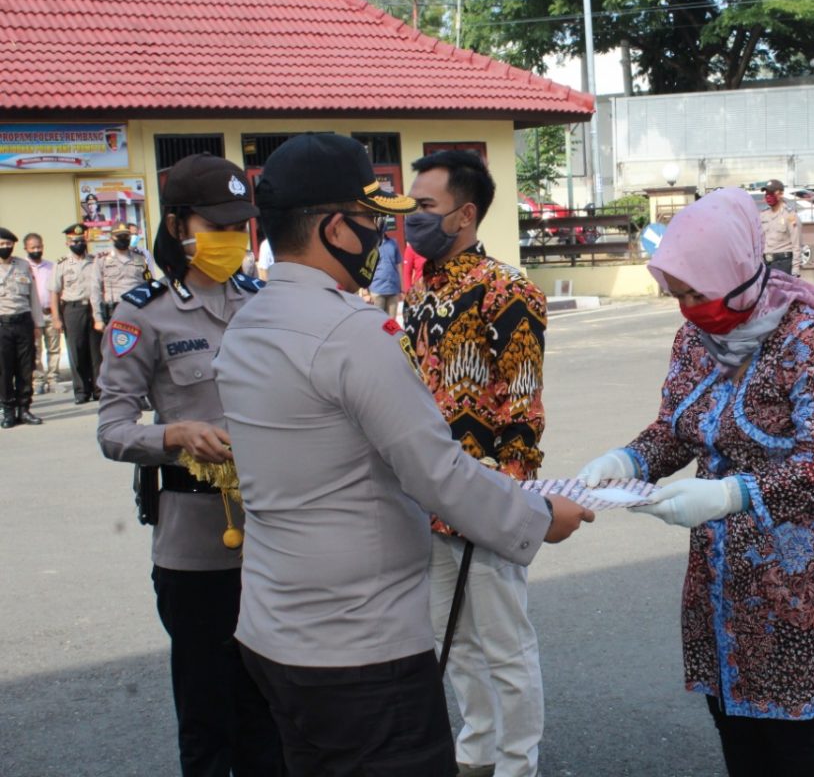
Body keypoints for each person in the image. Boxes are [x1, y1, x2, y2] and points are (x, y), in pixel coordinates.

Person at [210, 133, 592, 777]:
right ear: (335, 228)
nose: (385, 236)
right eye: (371, 220)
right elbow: (435, 469)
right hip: (359, 646)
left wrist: (510, 485)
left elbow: (516, 406)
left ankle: (510, 758)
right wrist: (540, 516)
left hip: (275, 628)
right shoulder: (351, 330)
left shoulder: (250, 319)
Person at [577, 188, 814, 777]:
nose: (690, 308)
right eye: (679, 295)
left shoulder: (812, 339)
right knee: (733, 722)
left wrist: (730, 494)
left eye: (699, 292)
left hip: (798, 572)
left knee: (790, 734)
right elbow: (677, 428)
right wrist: (629, 460)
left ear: (738, 271)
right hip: (721, 572)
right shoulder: (694, 339)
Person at [95, 154, 285, 777]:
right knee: (208, 718)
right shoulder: (142, 313)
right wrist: (173, 434)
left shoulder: (262, 301)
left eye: (238, 226)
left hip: (275, 536)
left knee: (271, 714)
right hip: (195, 546)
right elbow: (112, 430)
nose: (231, 238)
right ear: (178, 225)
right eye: (217, 225)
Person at [402, 150, 548, 777]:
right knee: (451, 638)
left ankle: (517, 764)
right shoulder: (420, 293)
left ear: (464, 214)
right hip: (428, 493)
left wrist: (502, 503)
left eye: (424, 207)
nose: (412, 218)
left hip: (485, 498)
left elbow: (523, 406)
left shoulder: (508, 290)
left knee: (505, 645)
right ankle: (477, 749)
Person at [0, 227, 44, 428]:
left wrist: (38, 324)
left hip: (24, 322)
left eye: (8, 244)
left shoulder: (23, 265)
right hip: (2, 325)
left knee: (26, 369)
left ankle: (24, 409)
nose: (5, 247)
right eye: (2, 244)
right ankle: (7, 411)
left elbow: (33, 296)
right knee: (4, 370)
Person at [53, 223, 102, 403]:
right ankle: (82, 391)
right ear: (67, 243)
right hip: (73, 309)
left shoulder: (95, 261)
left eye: (81, 240)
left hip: (94, 308)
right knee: (76, 350)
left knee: (97, 351)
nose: (78, 244)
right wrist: (56, 318)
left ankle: (99, 389)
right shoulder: (61, 264)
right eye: (74, 241)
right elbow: (54, 292)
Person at [91, 221, 151, 330]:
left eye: (126, 236)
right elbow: (95, 289)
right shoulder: (102, 259)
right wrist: (98, 318)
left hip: (137, 309)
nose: (123, 239)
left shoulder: (140, 258)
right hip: (114, 311)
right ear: (111, 238)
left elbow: (148, 284)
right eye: (119, 236)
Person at [24, 233, 60, 395]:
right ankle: (38, 381)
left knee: (54, 348)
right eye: (33, 247)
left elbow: (57, 291)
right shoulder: (23, 267)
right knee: (35, 349)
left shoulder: (52, 266)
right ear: (26, 248)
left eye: (39, 247)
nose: (36, 250)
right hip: (32, 316)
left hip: (50, 313)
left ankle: (53, 379)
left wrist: (57, 315)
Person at [759, 179, 802, 275]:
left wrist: (796, 268)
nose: (768, 196)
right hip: (766, 264)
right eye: (766, 193)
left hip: (784, 263)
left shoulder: (790, 215)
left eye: (771, 193)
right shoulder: (763, 215)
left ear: (781, 194)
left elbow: (797, 244)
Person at [368, 228, 402, 318]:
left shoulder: (393, 243)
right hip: (377, 290)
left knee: (392, 322)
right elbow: (367, 267)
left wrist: (401, 288)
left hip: (393, 289)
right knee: (378, 321)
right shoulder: (371, 245)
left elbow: (399, 266)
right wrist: (365, 290)